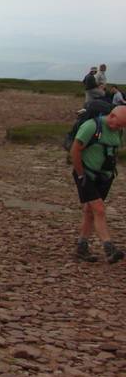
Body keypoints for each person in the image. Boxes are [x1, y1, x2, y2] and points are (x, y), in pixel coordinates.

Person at [71, 105, 126, 263]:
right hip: (86, 175)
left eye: (122, 126)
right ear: (112, 115)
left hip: (105, 177)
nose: (117, 127)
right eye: (117, 123)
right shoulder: (91, 126)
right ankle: (109, 249)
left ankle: (82, 248)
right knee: (100, 209)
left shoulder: (118, 131)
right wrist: (81, 176)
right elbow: (75, 151)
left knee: (90, 211)